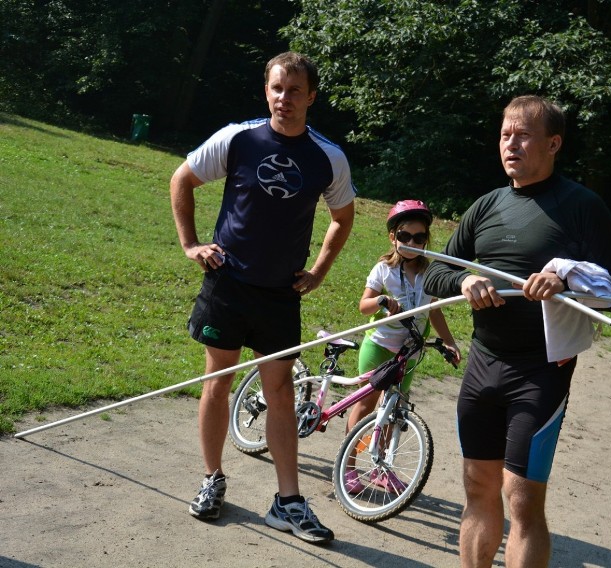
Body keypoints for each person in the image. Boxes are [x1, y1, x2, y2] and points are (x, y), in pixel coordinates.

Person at [423, 95, 611, 568]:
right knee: (477, 485)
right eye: (504, 135)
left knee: (521, 498)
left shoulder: (582, 206)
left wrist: (564, 279)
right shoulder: (486, 205)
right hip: (482, 363)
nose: (510, 144)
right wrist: (464, 279)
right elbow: (435, 275)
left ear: (553, 143)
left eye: (523, 135)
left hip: (540, 370)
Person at [169, 51, 356, 544]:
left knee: (278, 393)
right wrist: (191, 244)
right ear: (266, 90)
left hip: (279, 294)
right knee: (218, 381)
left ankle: (288, 502)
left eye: (295, 91)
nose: (284, 98)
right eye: (277, 88)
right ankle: (212, 479)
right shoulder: (239, 138)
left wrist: (318, 270)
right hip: (227, 285)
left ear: (312, 97)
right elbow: (182, 179)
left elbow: (343, 216)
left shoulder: (327, 156)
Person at [343, 200, 461, 494]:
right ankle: (348, 466)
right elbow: (363, 306)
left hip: (409, 353)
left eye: (419, 238)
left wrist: (448, 340)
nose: (412, 243)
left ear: (426, 240)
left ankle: (380, 467)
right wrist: (382, 301)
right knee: (367, 405)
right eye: (405, 236)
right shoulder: (383, 269)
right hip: (380, 346)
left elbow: (435, 310)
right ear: (393, 237)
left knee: (393, 410)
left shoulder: (430, 274)